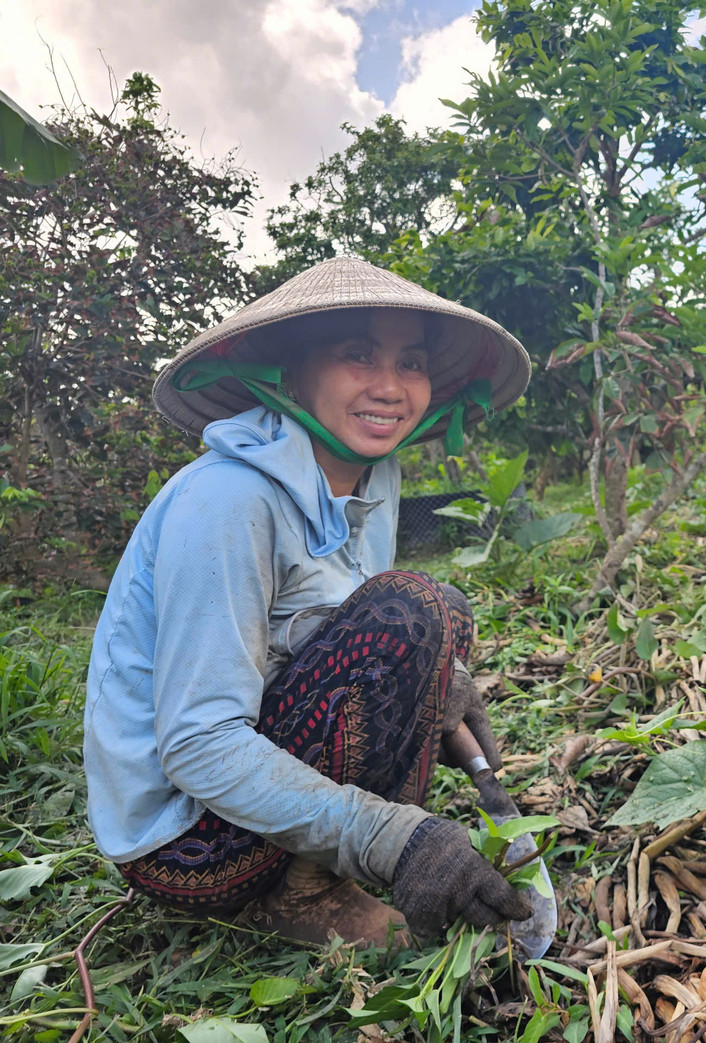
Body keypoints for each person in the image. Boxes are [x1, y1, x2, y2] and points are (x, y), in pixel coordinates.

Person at [84, 257, 534, 947]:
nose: (390, 387)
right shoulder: (228, 500)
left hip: (264, 764)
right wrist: (393, 838)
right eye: (358, 354)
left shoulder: (376, 477)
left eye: (410, 362)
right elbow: (199, 743)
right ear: (290, 373)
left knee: (441, 608)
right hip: (183, 842)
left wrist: (445, 678)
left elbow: (346, 627)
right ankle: (307, 892)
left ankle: (339, 854)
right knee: (412, 608)